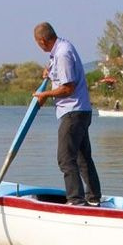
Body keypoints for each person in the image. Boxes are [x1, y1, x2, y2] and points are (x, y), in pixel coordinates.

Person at [33, 22, 101, 206]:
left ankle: (76, 201)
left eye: (38, 44)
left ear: (42, 41)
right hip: (80, 111)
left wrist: (45, 94)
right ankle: (94, 199)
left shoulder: (62, 53)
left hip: (73, 112)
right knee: (82, 157)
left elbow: (68, 88)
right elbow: (61, 73)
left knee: (65, 159)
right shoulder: (61, 48)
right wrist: (50, 72)